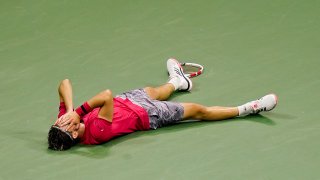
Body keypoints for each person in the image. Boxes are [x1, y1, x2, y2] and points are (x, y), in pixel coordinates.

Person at [48, 58, 278, 151]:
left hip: (127, 99)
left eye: (60, 123)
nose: (64, 122)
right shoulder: (96, 132)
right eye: (66, 125)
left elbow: (64, 83)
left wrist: (67, 111)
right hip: (149, 115)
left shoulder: (68, 122)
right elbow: (105, 95)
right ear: (75, 135)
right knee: (199, 110)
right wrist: (78, 112)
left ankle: (178, 81)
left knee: (158, 90)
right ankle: (248, 108)